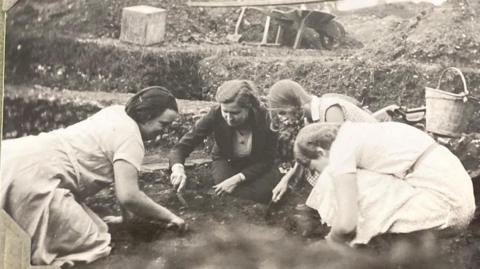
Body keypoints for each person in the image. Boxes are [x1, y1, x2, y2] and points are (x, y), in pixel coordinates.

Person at [0, 86, 187, 267]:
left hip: (16, 155)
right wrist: (171, 217)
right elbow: (129, 195)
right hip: (36, 179)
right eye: (163, 124)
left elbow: (121, 180)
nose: (165, 130)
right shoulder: (132, 140)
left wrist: (125, 219)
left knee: (97, 226)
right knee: (95, 242)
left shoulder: (116, 112)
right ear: (147, 116)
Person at [294, 122, 475, 245]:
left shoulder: (341, 151)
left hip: (445, 205)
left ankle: (356, 253)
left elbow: (348, 224)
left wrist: (331, 242)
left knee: (331, 180)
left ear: (320, 151)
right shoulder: (356, 132)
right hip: (457, 200)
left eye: (314, 168)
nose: (317, 173)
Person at [267, 79, 397, 202]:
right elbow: (305, 155)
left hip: (380, 159)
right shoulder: (309, 118)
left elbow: (340, 158)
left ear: (294, 103)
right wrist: (286, 179)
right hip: (358, 159)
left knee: (322, 174)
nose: (283, 118)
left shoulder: (330, 110)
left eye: (283, 112)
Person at [169, 80, 280, 204]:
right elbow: (181, 147)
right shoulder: (215, 114)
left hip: (258, 162)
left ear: (248, 107)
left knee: (262, 194)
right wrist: (178, 169)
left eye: (235, 113)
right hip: (227, 159)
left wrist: (238, 178)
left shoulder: (265, 117)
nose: (229, 118)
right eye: (225, 112)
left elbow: (268, 159)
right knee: (225, 192)